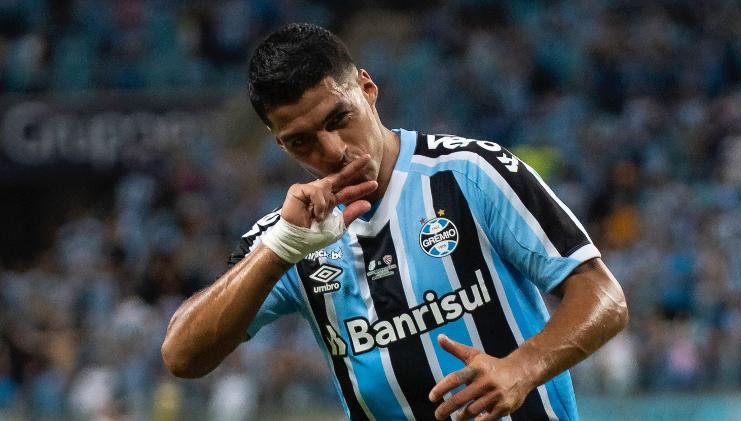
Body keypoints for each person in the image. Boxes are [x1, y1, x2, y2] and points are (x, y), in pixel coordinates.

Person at [161, 23, 628, 421]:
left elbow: (604, 296)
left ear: (367, 88)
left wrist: (523, 367)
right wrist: (281, 249)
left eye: (339, 118)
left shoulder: (469, 172)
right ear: (280, 144)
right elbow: (181, 355)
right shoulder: (288, 235)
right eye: (302, 141)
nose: (333, 150)